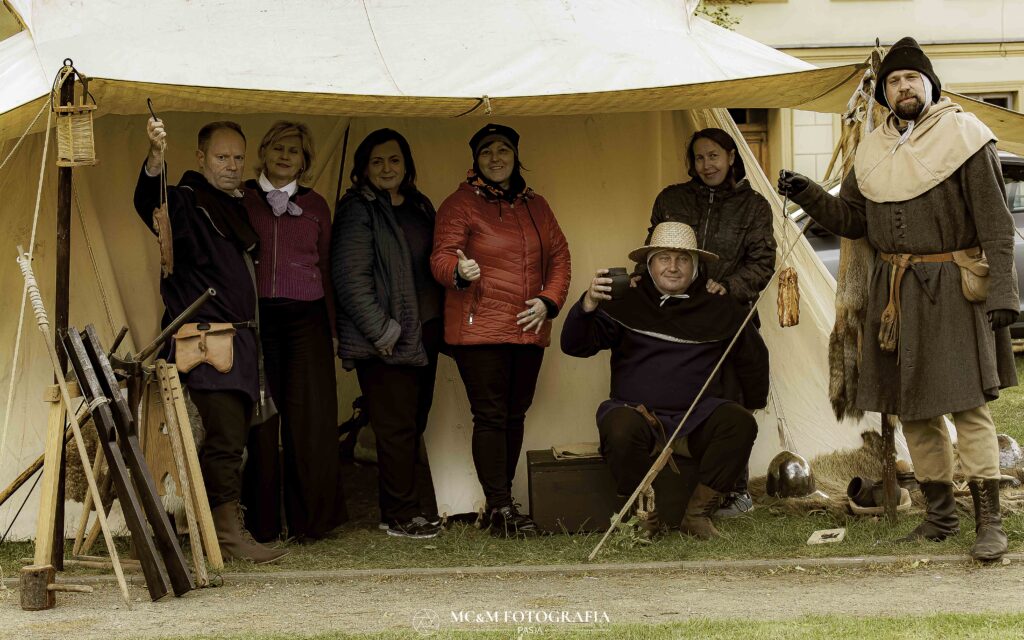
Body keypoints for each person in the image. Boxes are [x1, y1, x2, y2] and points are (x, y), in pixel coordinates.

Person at [778, 37, 1019, 562]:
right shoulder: (873, 148)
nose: (903, 87)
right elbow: (854, 221)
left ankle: (989, 522)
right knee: (913, 411)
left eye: (912, 78)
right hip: (896, 296)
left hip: (953, 291)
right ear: (885, 94)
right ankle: (940, 517)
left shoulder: (968, 136)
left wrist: (1004, 294)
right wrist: (807, 194)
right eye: (893, 81)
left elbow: (998, 227)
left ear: (930, 84)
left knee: (967, 409)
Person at [134, 118, 287, 563]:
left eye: (239, 158)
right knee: (222, 439)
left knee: (231, 439)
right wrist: (155, 160)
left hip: (236, 343)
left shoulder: (233, 206)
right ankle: (224, 535)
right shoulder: (184, 200)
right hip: (205, 345)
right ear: (200, 158)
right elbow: (151, 202)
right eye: (222, 157)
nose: (232, 166)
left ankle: (220, 529)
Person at [561, 222, 768, 539]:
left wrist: (752, 405)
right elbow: (575, 346)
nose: (673, 267)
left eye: (682, 259)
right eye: (663, 258)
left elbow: (753, 357)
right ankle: (642, 516)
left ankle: (697, 515)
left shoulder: (719, 305)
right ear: (649, 263)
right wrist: (588, 304)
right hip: (639, 415)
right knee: (618, 426)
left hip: (695, 421)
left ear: (695, 265)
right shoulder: (625, 301)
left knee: (740, 424)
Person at [430, 123, 571, 538]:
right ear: (476, 158)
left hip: (528, 329)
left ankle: (503, 503)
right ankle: (500, 505)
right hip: (479, 331)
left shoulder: (537, 205)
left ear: (515, 156)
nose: (496, 157)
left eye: (503, 150)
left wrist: (548, 301)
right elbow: (440, 257)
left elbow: (561, 257)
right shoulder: (460, 203)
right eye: (487, 150)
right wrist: (459, 270)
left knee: (513, 416)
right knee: (490, 417)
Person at [647, 127, 777, 516]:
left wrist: (730, 286)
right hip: (679, 316)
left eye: (714, 156)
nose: (707, 165)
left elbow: (763, 262)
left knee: (733, 400)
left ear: (731, 157)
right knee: (682, 397)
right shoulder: (672, 199)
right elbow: (654, 247)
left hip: (730, 316)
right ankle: (683, 488)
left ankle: (735, 490)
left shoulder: (754, 206)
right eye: (700, 158)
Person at [333, 129, 445, 539]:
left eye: (394, 160)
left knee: (414, 421)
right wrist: (383, 331)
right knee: (395, 426)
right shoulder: (357, 210)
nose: (386, 168)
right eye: (377, 161)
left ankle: (398, 507)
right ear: (363, 168)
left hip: (425, 332)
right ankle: (400, 514)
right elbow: (350, 280)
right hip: (385, 337)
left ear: (407, 165)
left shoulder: (419, 205)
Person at [240, 121, 347, 543]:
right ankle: (261, 523)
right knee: (261, 421)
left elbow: (327, 267)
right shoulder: (242, 198)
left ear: (305, 160)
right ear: (264, 151)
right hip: (259, 319)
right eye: (279, 148)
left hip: (308, 321)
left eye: (296, 151)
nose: (286, 156)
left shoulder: (317, 204)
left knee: (311, 421)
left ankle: (312, 523)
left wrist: (335, 330)